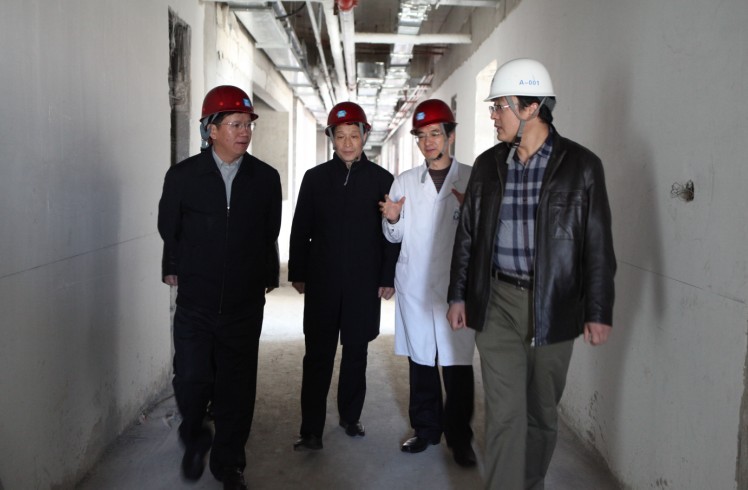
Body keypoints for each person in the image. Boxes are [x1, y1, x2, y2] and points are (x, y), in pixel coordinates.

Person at [447, 58, 616, 490]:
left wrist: (598, 310)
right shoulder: (488, 166)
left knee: (540, 413)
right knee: (505, 414)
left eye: (499, 106)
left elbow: (598, 245)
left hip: (554, 306)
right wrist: (458, 295)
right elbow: (467, 236)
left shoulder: (582, 167)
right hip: (498, 303)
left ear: (530, 108)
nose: (493, 115)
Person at [158, 85, 282, 490]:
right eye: (235, 124)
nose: (245, 132)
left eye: (248, 124)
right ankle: (195, 436)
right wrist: (174, 266)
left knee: (237, 388)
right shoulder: (183, 177)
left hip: (244, 305)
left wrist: (263, 278)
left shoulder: (265, 178)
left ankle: (229, 464)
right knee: (191, 380)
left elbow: (269, 233)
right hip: (196, 302)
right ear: (211, 130)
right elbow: (169, 228)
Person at [289, 101, 399, 451]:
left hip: (362, 284)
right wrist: (298, 271)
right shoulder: (315, 178)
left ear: (365, 135)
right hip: (322, 283)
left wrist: (387, 277)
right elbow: (301, 228)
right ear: (331, 138)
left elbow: (390, 235)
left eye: (354, 135)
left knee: (356, 353)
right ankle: (311, 430)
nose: (348, 143)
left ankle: (351, 417)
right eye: (340, 136)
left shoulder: (382, 180)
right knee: (317, 356)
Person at [378, 99, 476, 467]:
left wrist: (473, 212)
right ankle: (426, 429)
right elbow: (393, 235)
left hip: (456, 289)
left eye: (435, 133)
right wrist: (391, 219)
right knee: (421, 362)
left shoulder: (472, 178)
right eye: (422, 136)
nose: (428, 142)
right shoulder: (404, 181)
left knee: (457, 365)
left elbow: (485, 235)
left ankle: (460, 438)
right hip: (416, 284)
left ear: (451, 136)